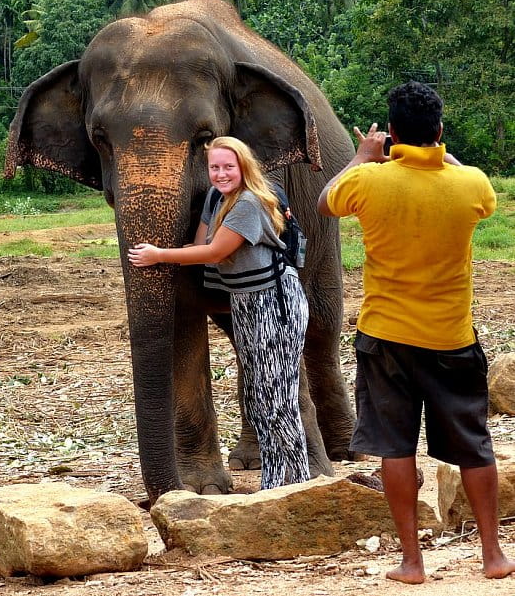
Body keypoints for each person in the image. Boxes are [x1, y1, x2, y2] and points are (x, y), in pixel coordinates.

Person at [317, 81, 515, 583]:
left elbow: (324, 202)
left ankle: (412, 562)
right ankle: (493, 556)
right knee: (474, 445)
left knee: (395, 448)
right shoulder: (473, 184)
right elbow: (462, 178)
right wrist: (435, 155)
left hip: (386, 339)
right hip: (452, 338)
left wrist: (364, 155)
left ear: (394, 136)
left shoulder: (369, 182)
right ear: (441, 131)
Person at [128, 136, 310, 489]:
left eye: (229, 167)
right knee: (259, 397)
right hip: (245, 302)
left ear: (244, 167)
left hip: (275, 301)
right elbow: (199, 245)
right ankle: (274, 482)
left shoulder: (249, 203)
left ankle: (298, 481)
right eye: (215, 167)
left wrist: (159, 255)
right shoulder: (218, 198)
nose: (221, 174)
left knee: (278, 397)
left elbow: (213, 252)